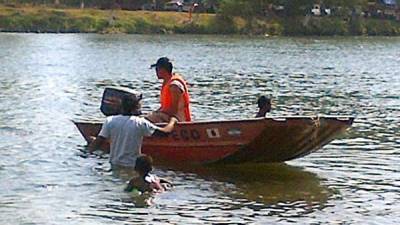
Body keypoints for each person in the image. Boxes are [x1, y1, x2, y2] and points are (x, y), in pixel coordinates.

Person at [89, 95, 178, 170]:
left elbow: (98, 142)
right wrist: (172, 121)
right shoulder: (140, 123)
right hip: (132, 167)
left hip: (114, 166)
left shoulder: (110, 121)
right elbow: (165, 133)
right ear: (135, 108)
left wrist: (88, 153)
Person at [146, 57, 192, 123]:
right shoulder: (167, 82)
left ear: (163, 70)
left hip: (178, 119)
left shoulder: (174, 86)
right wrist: (155, 113)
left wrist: (155, 114)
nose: (156, 71)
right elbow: (165, 108)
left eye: (157, 69)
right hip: (168, 116)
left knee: (146, 120)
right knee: (146, 117)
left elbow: (173, 111)